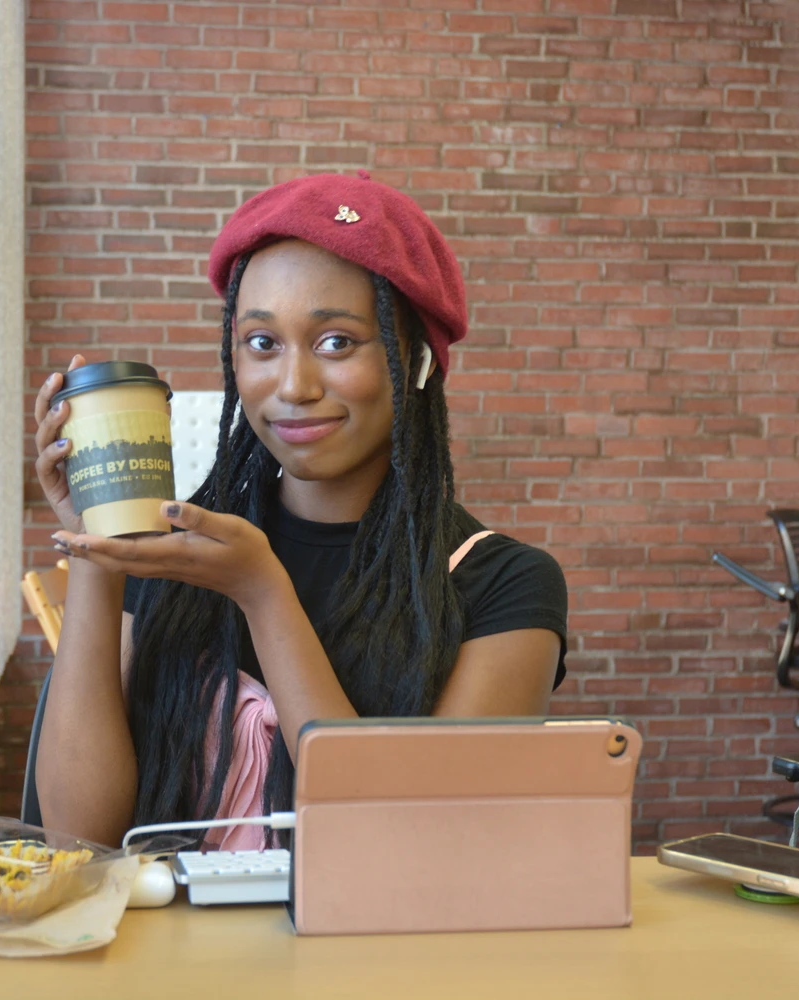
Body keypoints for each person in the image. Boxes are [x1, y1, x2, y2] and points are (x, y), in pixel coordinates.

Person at [31, 173, 568, 848]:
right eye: (262, 343)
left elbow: (412, 852)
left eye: (336, 342)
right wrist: (98, 554)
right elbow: (80, 838)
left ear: (420, 360)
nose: (294, 386)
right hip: (170, 954)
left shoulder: (501, 586)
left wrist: (264, 593)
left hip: (373, 953)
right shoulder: (174, 553)